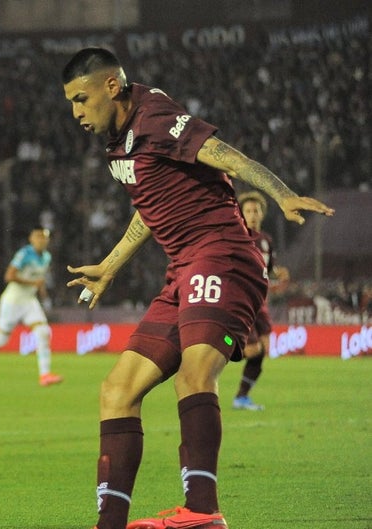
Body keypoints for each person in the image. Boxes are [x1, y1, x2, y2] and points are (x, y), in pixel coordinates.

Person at [61, 47, 333, 529]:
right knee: (116, 390)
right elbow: (152, 207)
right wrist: (110, 266)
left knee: (194, 374)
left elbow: (228, 157)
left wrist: (282, 193)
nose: (77, 113)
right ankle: (110, 523)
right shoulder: (119, 142)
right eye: (71, 104)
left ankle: (203, 511)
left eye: (81, 99)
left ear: (111, 86)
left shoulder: (155, 117)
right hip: (183, 270)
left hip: (222, 255)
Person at [0, 227, 63, 387]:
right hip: (13, 300)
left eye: (44, 238)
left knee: (43, 332)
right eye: (38, 237)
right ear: (31, 239)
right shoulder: (24, 254)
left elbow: (39, 280)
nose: (41, 240)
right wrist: (32, 283)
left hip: (29, 300)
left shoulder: (46, 257)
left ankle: (45, 375)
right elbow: (9, 276)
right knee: (2, 339)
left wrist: (44, 296)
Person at [232, 191, 289, 411]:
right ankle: (223, 345)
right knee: (252, 350)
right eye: (248, 211)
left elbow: (269, 269)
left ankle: (242, 397)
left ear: (262, 214)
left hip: (260, 302)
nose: (253, 214)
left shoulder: (266, 240)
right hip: (242, 300)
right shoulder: (237, 237)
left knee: (264, 348)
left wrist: (278, 273)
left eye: (256, 210)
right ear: (241, 214)